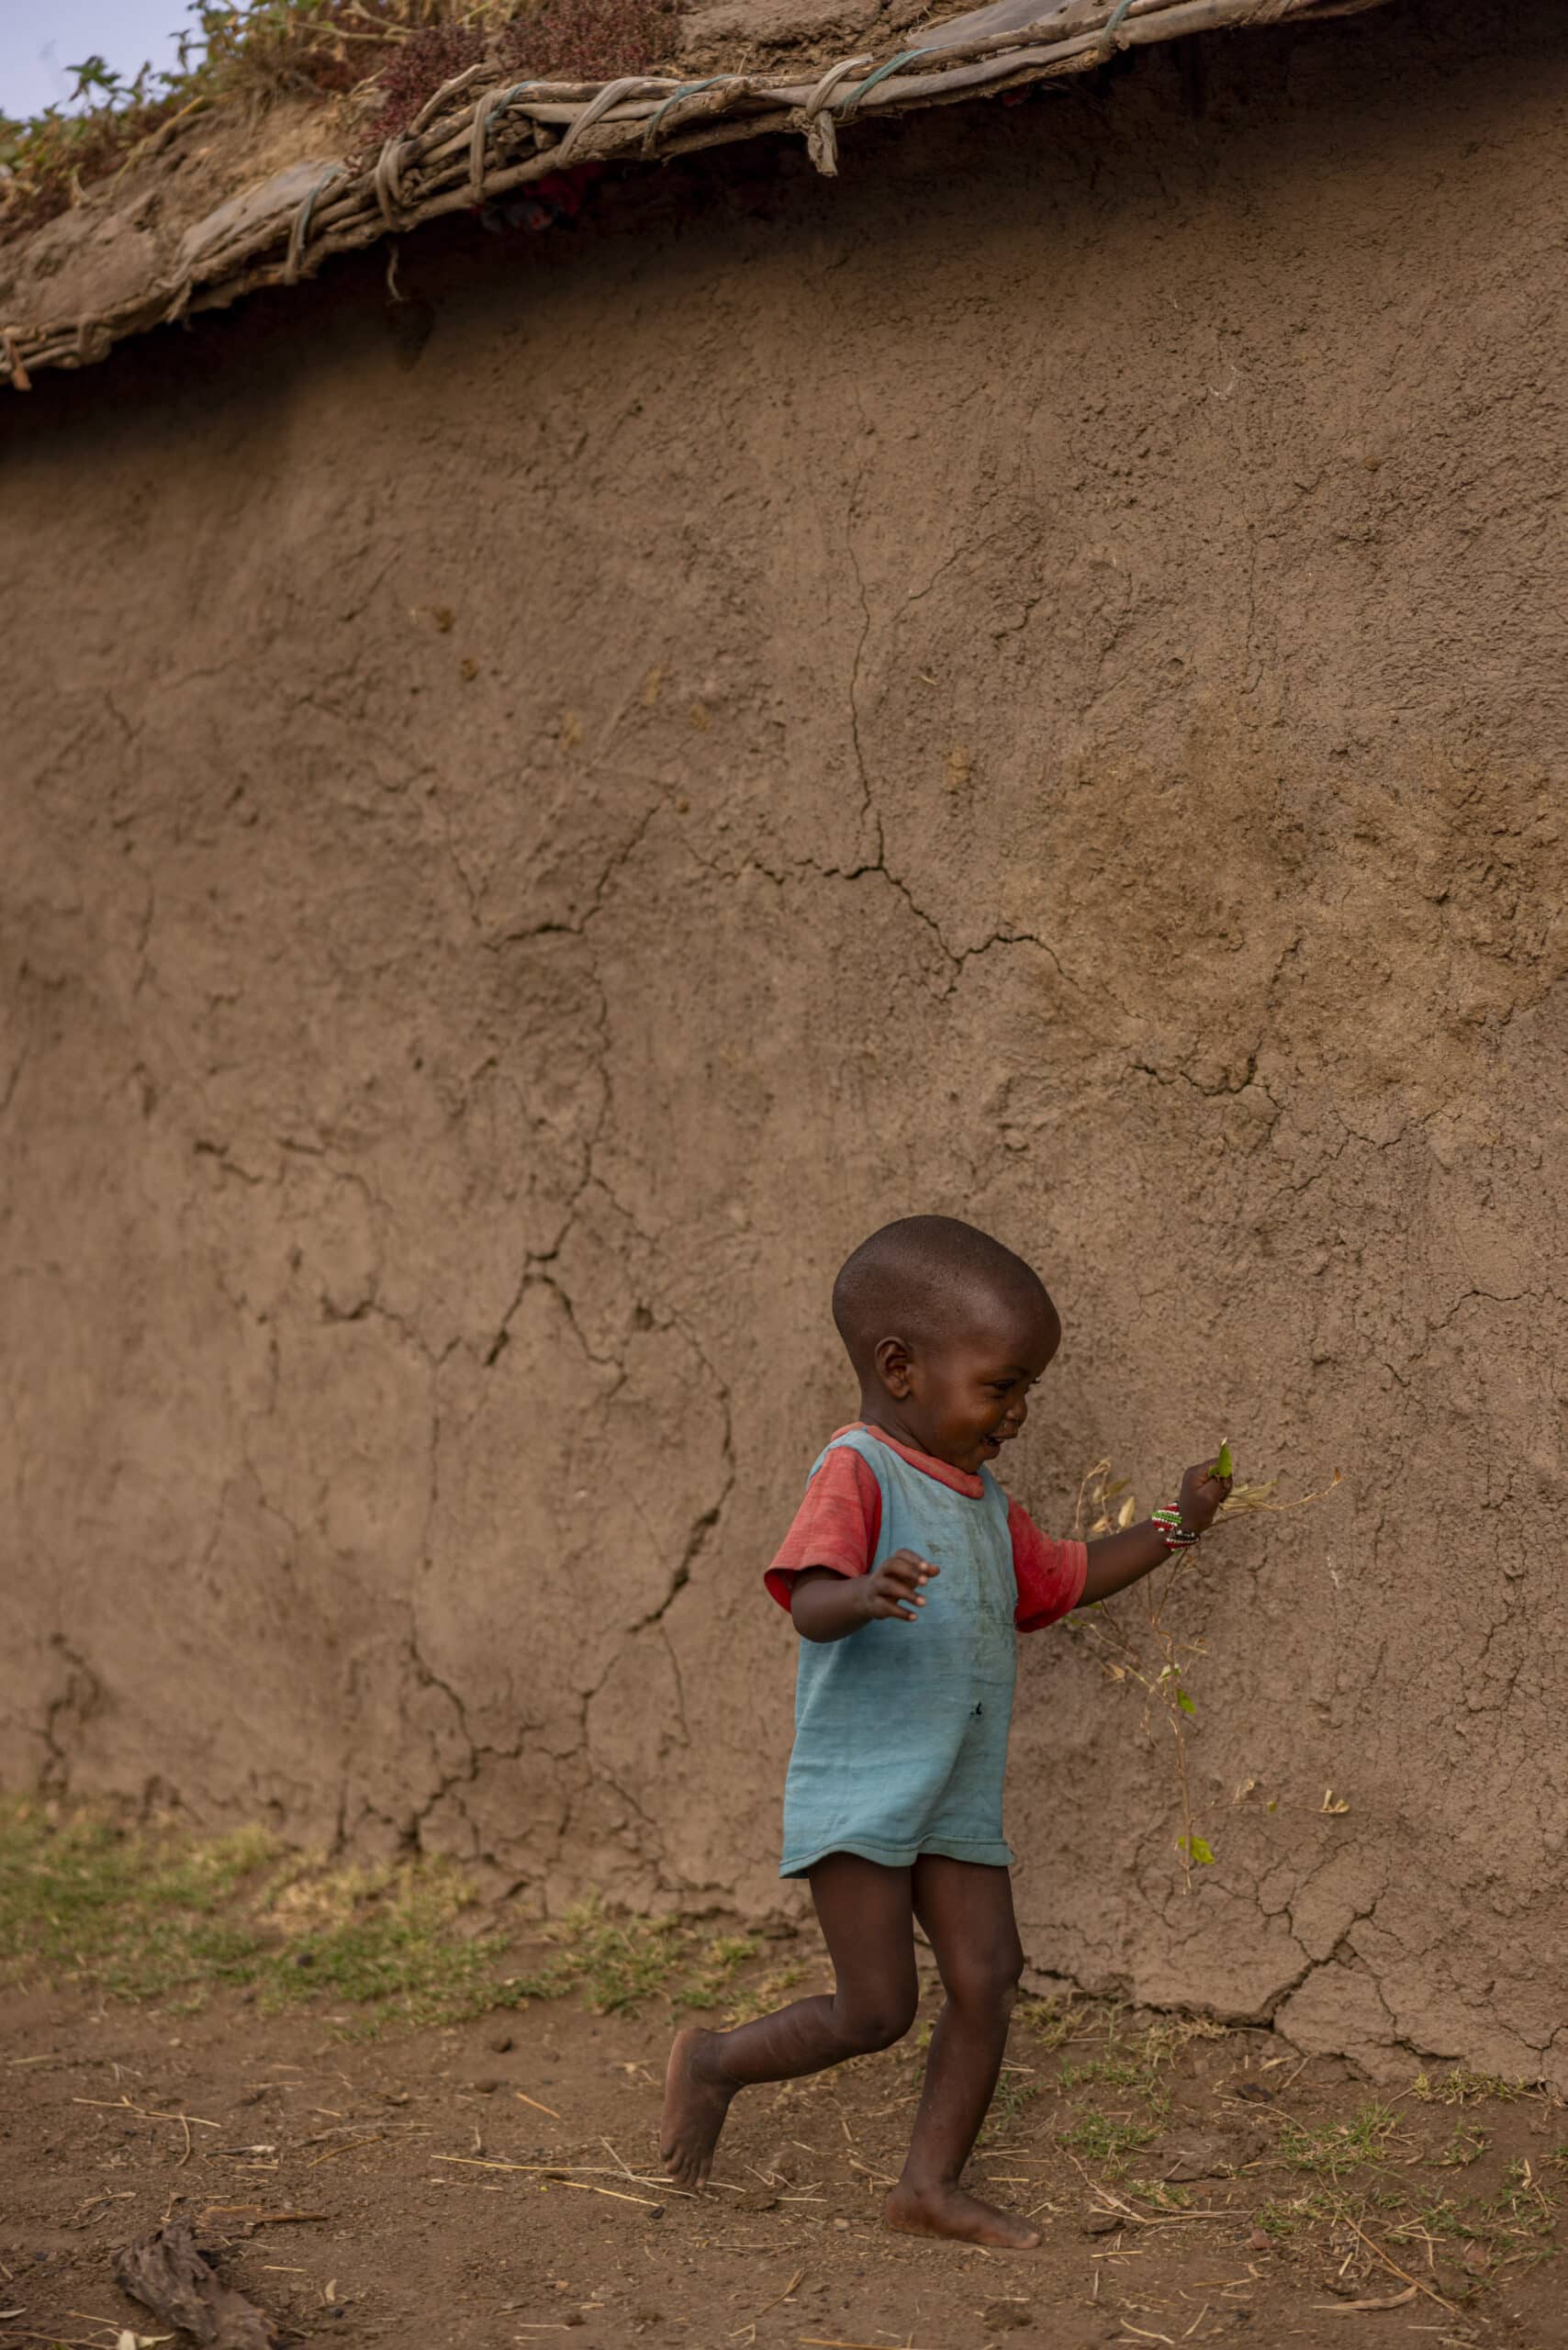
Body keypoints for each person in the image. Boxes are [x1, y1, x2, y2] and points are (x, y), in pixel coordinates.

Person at [660, 1214, 1233, 2248]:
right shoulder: (858, 1468)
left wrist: (1177, 1525)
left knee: (986, 1975)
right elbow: (806, 1600)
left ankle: (926, 2187)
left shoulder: (984, 1504)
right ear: (900, 1366)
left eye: (1026, 1391)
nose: (1016, 1412)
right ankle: (713, 2061)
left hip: (955, 1791)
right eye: (1002, 1384)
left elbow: (1058, 1581)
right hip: (867, 1785)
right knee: (873, 2010)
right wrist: (861, 1590)